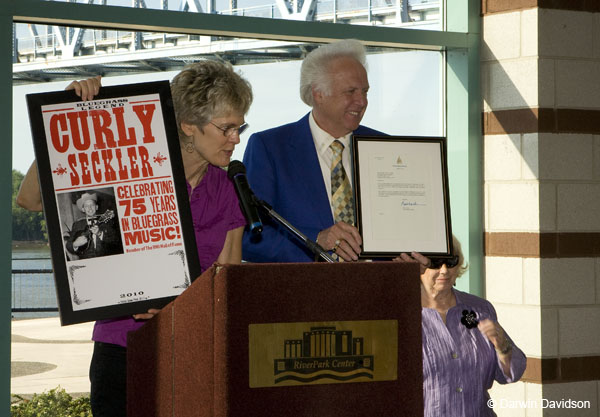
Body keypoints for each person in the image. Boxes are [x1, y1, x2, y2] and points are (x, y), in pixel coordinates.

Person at [16, 61, 252, 417]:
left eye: (240, 127)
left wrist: (181, 309)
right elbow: (29, 200)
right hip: (121, 350)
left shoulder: (229, 189)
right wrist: (64, 117)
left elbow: (228, 282)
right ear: (189, 125)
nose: (236, 138)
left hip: (192, 353)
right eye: (227, 128)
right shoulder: (127, 165)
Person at [242, 39, 383, 263]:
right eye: (351, 91)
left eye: (365, 91)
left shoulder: (383, 146)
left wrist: (416, 253)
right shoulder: (270, 148)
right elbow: (249, 238)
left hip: (380, 291)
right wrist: (316, 239)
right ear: (318, 93)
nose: (362, 101)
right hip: (304, 293)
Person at [395, 239, 526, 417]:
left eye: (451, 262)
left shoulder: (480, 309)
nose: (444, 270)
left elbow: (511, 374)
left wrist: (502, 345)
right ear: (418, 265)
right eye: (435, 263)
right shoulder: (400, 315)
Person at [65, 192, 123, 259]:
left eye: (92, 205)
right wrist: (75, 244)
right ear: (83, 209)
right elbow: (68, 245)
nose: (90, 208)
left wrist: (100, 233)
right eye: (86, 206)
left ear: (96, 207)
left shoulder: (106, 222)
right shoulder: (77, 224)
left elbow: (116, 240)